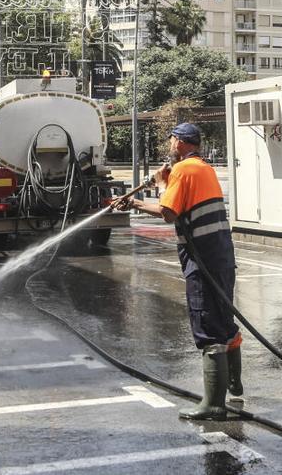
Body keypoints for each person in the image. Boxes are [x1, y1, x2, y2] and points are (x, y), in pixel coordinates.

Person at [116, 123, 241, 420]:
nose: (169, 145)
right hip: (221, 257)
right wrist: (163, 179)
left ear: (181, 142)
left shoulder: (184, 171)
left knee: (208, 328)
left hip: (202, 261)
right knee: (225, 323)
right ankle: (234, 385)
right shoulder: (201, 168)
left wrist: (134, 202)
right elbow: (182, 192)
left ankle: (213, 405)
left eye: (171, 140)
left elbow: (168, 212)